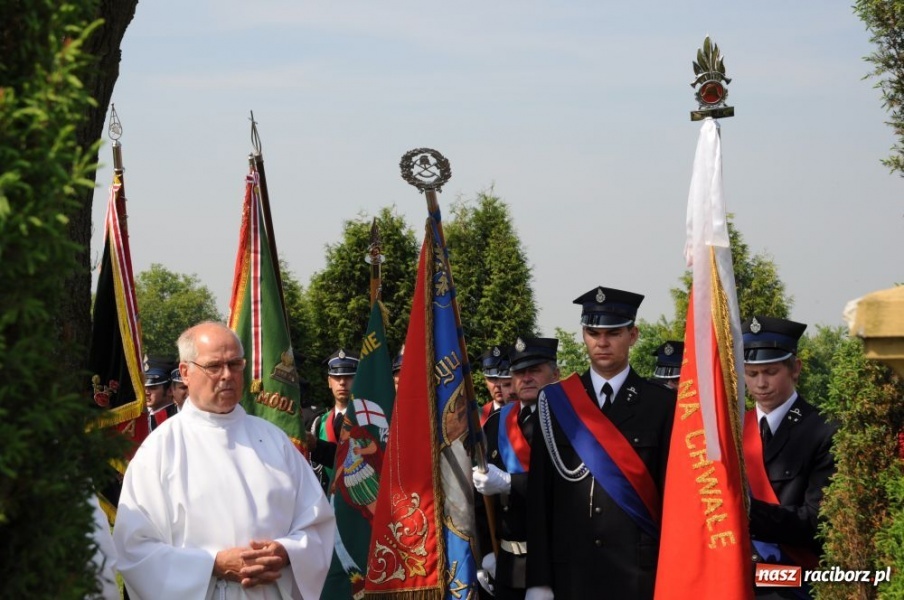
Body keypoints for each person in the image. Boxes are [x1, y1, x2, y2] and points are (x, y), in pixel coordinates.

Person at [113, 321, 335, 599]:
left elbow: (316, 523)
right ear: (185, 372)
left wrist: (287, 552)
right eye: (214, 366)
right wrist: (212, 565)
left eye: (235, 364)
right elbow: (134, 548)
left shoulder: (274, 440)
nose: (227, 375)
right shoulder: (159, 450)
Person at [526, 286, 676, 600]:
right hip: (572, 572)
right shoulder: (554, 401)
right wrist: (539, 580)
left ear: (633, 335)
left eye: (613, 333)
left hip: (638, 573)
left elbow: (672, 498)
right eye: (593, 333)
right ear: (583, 335)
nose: (602, 343)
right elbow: (540, 496)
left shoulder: (661, 404)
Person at [741, 316, 837, 599]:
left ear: (795, 369)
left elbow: (817, 521)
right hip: (738, 578)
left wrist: (745, 509)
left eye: (770, 372)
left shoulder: (824, 430)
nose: (760, 383)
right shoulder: (732, 429)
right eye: (751, 373)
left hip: (794, 580)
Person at [475, 337, 559, 600]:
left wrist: (512, 483)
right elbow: (481, 495)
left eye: (535, 370)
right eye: (519, 372)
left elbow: (566, 487)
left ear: (555, 374)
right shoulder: (496, 423)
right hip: (508, 565)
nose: (526, 378)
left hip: (556, 562)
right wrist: (486, 553)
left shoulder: (570, 422)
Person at [307, 348, 359, 493]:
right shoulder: (318, 422)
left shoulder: (366, 421)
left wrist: (317, 446)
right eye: (337, 377)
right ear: (329, 381)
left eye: (349, 377)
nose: (342, 382)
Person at [478, 345, 513, 427]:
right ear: (485, 380)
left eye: (503, 377)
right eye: (492, 378)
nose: (498, 384)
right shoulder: (477, 418)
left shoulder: (528, 413)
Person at [143, 365, 177, 431]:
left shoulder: (174, 417)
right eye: (144, 388)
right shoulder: (147, 416)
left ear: (170, 391)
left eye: (153, 388)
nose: (146, 392)